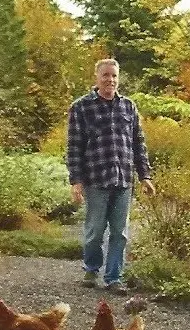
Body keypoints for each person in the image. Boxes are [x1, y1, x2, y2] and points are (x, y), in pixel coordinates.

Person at [65, 58, 156, 292]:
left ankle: (114, 277)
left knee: (120, 233)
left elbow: (139, 143)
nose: (110, 80)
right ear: (97, 77)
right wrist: (76, 180)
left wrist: (145, 175)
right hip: (96, 178)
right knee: (95, 231)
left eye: (114, 76)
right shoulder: (81, 107)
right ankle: (91, 269)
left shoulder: (128, 107)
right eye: (106, 75)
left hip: (123, 179)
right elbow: (74, 146)